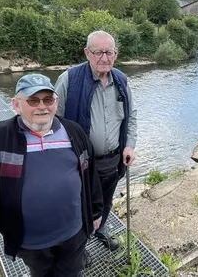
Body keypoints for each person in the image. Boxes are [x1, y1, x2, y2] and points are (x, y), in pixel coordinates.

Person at [0, 73, 103, 277]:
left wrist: (95, 212)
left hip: (74, 233)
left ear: (56, 102)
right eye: (33, 100)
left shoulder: (74, 132)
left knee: (71, 273)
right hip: (30, 242)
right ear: (16, 104)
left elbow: (90, 174)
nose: (42, 106)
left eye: (48, 99)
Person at [55, 30, 138, 252]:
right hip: (80, 164)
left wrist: (129, 144)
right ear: (87, 53)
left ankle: (101, 230)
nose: (104, 57)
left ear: (116, 53)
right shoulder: (69, 80)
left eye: (108, 52)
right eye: (98, 52)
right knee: (80, 206)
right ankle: (79, 248)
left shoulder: (121, 80)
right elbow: (54, 123)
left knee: (106, 201)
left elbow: (131, 116)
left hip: (112, 160)